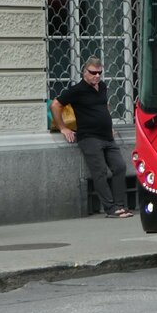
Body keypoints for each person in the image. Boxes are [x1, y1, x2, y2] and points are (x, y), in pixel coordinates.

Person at [51, 56, 132, 218]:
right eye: (93, 72)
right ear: (84, 72)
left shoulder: (102, 86)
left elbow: (104, 107)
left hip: (107, 137)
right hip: (89, 137)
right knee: (100, 171)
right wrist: (63, 128)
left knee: (120, 166)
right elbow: (55, 105)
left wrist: (109, 126)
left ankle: (120, 206)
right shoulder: (77, 90)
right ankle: (110, 209)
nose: (96, 76)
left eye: (99, 72)